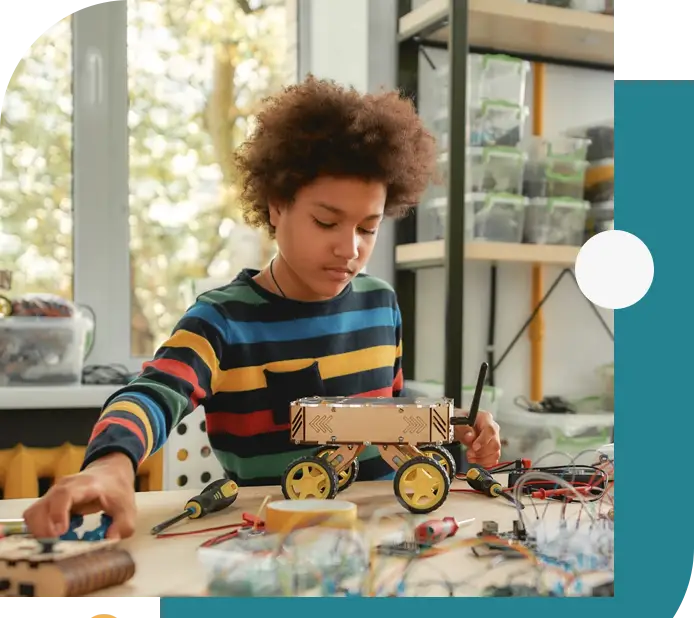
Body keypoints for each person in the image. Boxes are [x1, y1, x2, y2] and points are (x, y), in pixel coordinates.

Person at [23, 76, 501, 540]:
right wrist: (112, 464)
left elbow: (387, 413)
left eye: (368, 228)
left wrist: (459, 430)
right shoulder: (224, 320)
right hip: (272, 542)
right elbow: (151, 394)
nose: (349, 248)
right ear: (276, 207)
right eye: (326, 221)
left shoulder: (381, 304)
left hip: (381, 538)